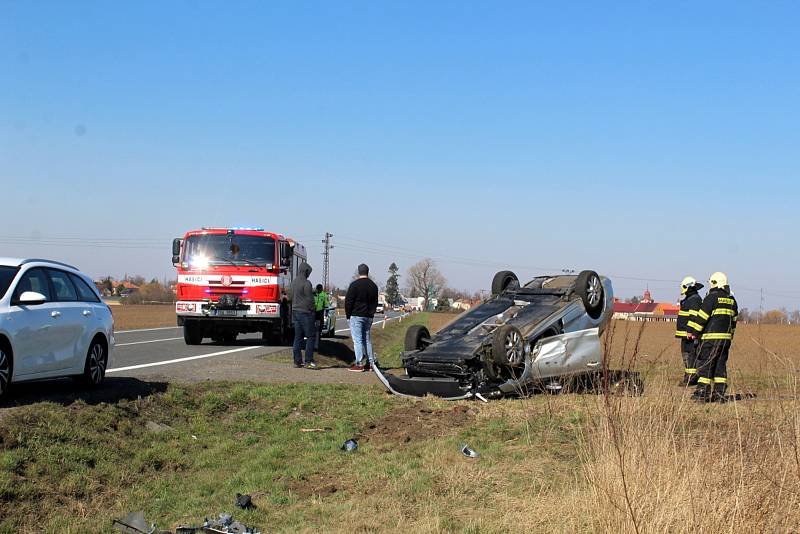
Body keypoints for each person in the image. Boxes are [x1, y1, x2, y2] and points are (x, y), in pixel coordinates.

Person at [687, 272, 738, 402]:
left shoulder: (711, 298)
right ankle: (719, 394)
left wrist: (694, 333)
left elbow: (702, 318)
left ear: (714, 283)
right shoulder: (732, 300)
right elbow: (734, 321)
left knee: (706, 365)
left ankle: (702, 392)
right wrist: (730, 336)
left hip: (710, 340)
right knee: (720, 366)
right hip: (725, 341)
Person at [345, 263, 379, 372]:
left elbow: (348, 301)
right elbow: (375, 302)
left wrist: (348, 315)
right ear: (367, 272)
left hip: (356, 315)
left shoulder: (354, 285)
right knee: (367, 340)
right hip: (368, 316)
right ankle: (370, 363)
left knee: (358, 340)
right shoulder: (374, 286)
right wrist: (371, 314)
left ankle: (359, 363)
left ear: (359, 272)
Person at [676, 276, 704, 386]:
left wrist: (690, 331)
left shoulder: (694, 299)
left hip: (689, 335)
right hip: (686, 335)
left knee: (690, 355)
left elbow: (694, 317)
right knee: (686, 355)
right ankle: (689, 377)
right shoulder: (690, 298)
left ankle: (691, 379)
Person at [289, 262, 317, 369]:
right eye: (308, 272)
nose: (309, 274)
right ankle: (308, 361)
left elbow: (290, 297)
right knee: (310, 336)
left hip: (295, 311)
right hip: (306, 312)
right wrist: (313, 311)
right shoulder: (307, 283)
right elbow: (310, 300)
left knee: (298, 337)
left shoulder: (294, 282)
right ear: (305, 271)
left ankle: (297, 361)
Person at [314, 284, 331, 349]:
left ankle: (318, 336)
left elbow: (326, 304)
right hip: (313, 312)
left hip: (319, 313)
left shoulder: (324, 295)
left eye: (319, 289)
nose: (318, 290)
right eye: (317, 289)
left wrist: (326, 310)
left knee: (319, 326)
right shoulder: (314, 294)